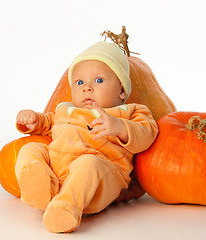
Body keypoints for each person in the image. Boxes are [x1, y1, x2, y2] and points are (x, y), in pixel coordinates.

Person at [15, 41, 158, 233]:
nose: (87, 88)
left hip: (97, 178)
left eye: (98, 81)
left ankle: (65, 208)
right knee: (30, 149)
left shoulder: (129, 112)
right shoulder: (65, 109)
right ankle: (40, 189)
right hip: (57, 172)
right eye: (79, 82)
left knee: (88, 164)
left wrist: (119, 127)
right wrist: (33, 120)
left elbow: (147, 134)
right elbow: (49, 123)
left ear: (122, 90)